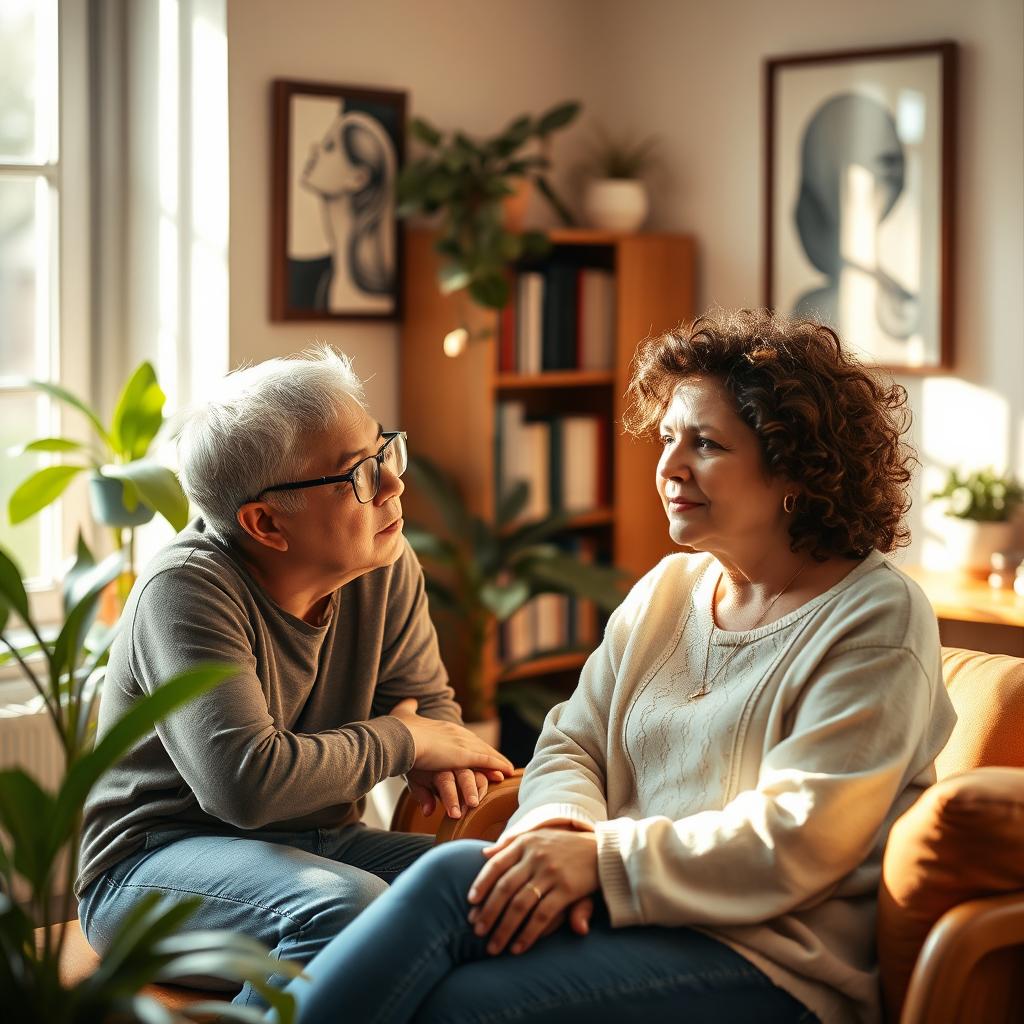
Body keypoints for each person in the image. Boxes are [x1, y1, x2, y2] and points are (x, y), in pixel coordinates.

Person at [275, 309, 957, 1024]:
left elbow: (798, 837)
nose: (668, 466)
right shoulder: (669, 590)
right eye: (667, 437)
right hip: (628, 918)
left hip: (775, 965)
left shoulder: (876, 616)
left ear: (794, 468)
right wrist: (560, 831)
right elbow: (574, 742)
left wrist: (599, 863)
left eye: (706, 443)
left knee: (452, 984)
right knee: (447, 911)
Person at [76, 346, 513, 1007]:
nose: (393, 486)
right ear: (266, 523)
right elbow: (248, 785)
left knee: (494, 885)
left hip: (322, 846)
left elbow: (436, 721)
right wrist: (403, 741)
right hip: (151, 870)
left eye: (383, 451)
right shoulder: (187, 590)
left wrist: (425, 742)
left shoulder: (382, 564)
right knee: (342, 907)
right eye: (359, 475)